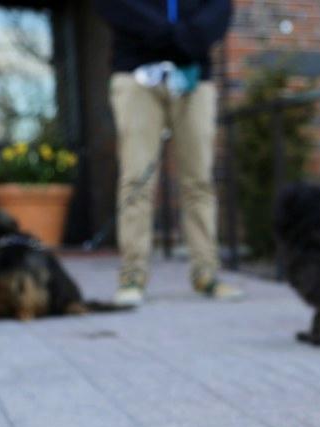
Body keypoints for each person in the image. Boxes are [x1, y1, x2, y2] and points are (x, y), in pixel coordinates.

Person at [93, 0, 241, 305]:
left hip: (194, 78)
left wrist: (182, 39)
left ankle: (206, 274)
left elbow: (220, 10)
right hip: (136, 76)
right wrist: (169, 33)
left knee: (199, 180)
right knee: (137, 178)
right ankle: (132, 276)